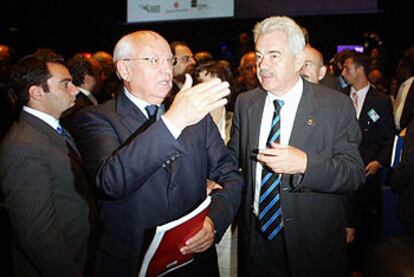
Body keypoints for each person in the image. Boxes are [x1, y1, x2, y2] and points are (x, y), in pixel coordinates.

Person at [72, 30, 243, 277]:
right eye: (153, 60)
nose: (166, 69)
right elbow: (111, 181)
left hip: (195, 261)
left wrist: (214, 222)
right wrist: (174, 120)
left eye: (169, 60)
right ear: (124, 70)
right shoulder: (94, 118)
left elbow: (231, 176)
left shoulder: (197, 116)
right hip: (134, 262)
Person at [227, 16, 365, 276]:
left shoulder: (335, 106)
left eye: (274, 56)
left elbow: (354, 173)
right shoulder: (246, 103)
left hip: (313, 246)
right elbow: (233, 160)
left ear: (299, 61)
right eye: (258, 56)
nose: (262, 65)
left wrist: (305, 164)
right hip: (256, 241)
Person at [0, 55, 96, 276]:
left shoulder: (51, 129)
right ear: (36, 93)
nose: (75, 90)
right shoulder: (22, 146)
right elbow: (39, 237)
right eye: (65, 84)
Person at [341, 51, 395, 274]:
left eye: (346, 68)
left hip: (366, 173)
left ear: (359, 69)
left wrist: (378, 162)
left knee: (363, 224)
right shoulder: (339, 96)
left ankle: (360, 267)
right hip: (342, 171)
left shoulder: (380, 101)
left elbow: (389, 137)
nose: (343, 73)